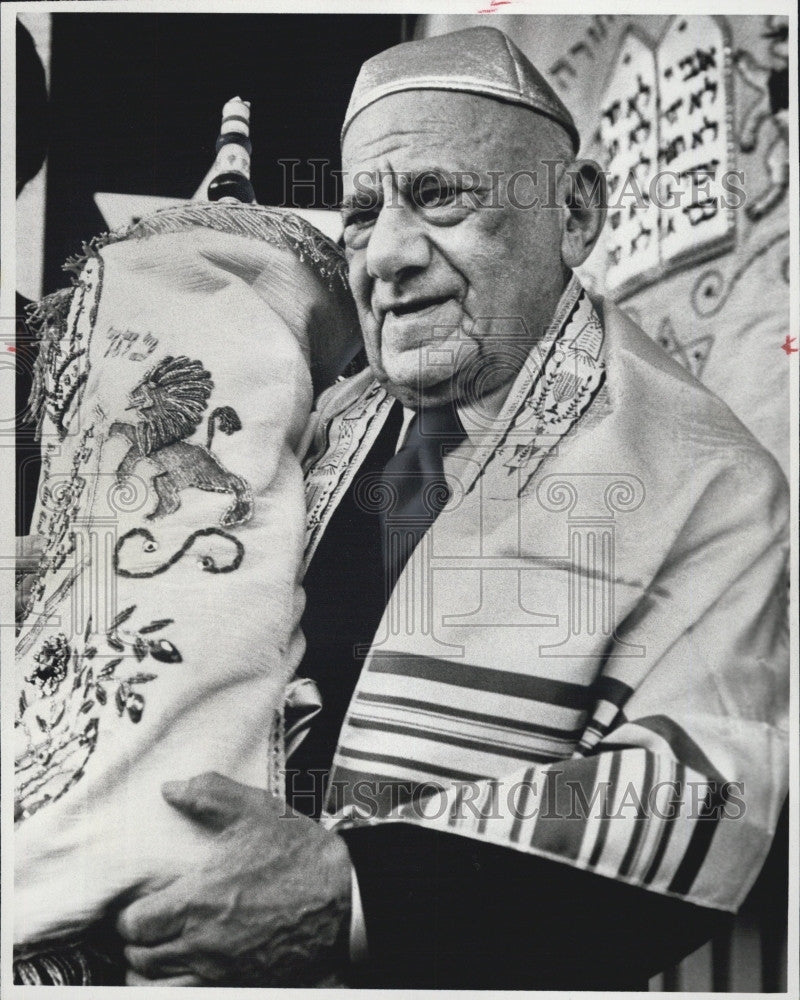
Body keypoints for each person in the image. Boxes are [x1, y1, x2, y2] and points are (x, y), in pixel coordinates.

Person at [115, 27, 789, 989]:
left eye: (438, 196)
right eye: (359, 212)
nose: (385, 254)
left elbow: (710, 789)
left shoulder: (707, 480)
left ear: (576, 210)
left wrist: (348, 893)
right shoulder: (323, 422)